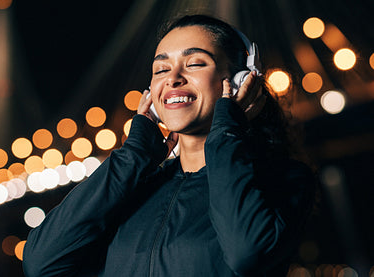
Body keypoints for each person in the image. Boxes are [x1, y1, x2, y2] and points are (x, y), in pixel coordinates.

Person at [23, 14, 315, 276]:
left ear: (241, 82)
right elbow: (41, 263)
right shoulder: (132, 186)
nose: (173, 78)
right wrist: (134, 154)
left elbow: (247, 255)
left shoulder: (283, 179)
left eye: (195, 63)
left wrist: (227, 129)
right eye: (161, 69)